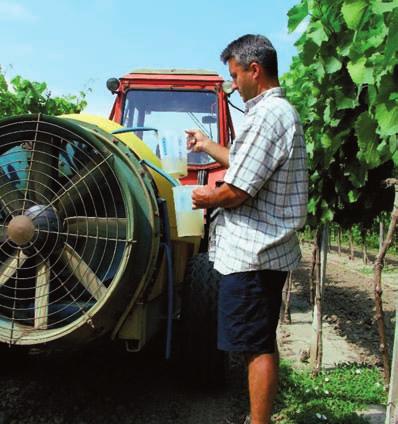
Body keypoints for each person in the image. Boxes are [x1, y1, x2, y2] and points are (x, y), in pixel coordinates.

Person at [186, 34, 308, 424]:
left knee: (255, 346)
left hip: (255, 254)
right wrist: (207, 145)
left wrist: (205, 198)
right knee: (256, 340)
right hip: (260, 252)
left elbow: (236, 189)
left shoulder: (268, 116)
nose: (233, 84)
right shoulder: (269, 115)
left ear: (254, 70)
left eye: (235, 75)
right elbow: (244, 164)